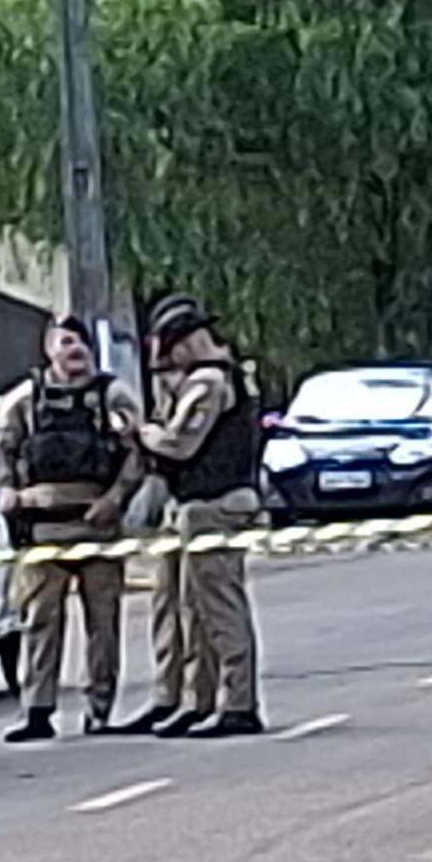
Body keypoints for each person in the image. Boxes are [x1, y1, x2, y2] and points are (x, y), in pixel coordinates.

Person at [119, 293, 268, 739]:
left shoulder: (209, 383)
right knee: (187, 607)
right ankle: (193, 700)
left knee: (218, 607)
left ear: (184, 344)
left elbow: (180, 444)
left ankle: (237, 702)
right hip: (198, 504)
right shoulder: (218, 377)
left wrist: (145, 433)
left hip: (215, 505)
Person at [0, 317, 142, 741]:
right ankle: (37, 709)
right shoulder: (26, 399)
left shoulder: (111, 395)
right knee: (40, 620)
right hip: (43, 528)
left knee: (104, 622)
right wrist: (7, 492)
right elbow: (3, 448)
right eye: (66, 342)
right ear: (48, 348)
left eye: (81, 342)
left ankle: (100, 710)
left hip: (96, 524)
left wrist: (115, 499)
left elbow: (136, 453)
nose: (75, 350)